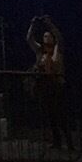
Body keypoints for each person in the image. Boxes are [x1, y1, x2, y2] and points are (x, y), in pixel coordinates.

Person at [26, 16, 70, 153]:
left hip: (57, 85)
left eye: (48, 36)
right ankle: (56, 141)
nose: (46, 38)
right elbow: (29, 39)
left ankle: (69, 142)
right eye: (44, 36)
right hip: (46, 86)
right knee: (51, 116)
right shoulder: (40, 51)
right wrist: (33, 24)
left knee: (61, 116)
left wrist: (50, 24)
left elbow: (60, 38)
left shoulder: (57, 49)